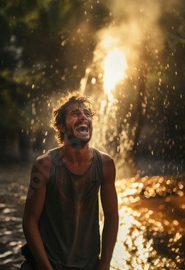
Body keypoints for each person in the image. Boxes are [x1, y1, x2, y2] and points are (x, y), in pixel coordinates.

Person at [22, 92, 119, 270]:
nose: (83, 116)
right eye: (75, 113)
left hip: (89, 266)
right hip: (48, 264)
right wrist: (45, 268)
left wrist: (104, 264)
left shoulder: (105, 164)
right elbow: (30, 221)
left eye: (87, 114)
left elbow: (112, 217)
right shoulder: (44, 166)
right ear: (61, 127)